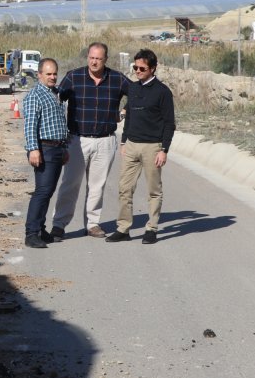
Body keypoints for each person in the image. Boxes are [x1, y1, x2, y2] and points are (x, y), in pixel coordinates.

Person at [51, 42, 129, 239]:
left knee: (97, 185)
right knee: (70, 184)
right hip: (77, 140)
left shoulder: (117, 79)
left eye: (99, 59)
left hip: (105, 141)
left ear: (105, 60)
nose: (94, 62)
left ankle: (93, 224)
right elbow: (56, 99)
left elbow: (136, 94)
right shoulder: (73, 77)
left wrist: (125, 111)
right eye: (91, 58)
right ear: (87, 57)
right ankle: (59, 224)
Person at [108, 48, 176, 245]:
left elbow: (169, 123)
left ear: (153, 69)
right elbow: (130, 115)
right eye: (135, 67)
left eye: (142, 68)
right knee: (124, 188)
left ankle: (151, 228)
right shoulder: (133, 88)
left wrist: (164, 150)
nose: (137, 71)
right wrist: (124, 141)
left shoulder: (163, 92)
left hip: (152, 147)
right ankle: (123, 228)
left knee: (153, 191)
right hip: (131, 145)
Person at [21, 58, 68, 248]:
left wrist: (64, 147)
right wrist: (33, 149)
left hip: (57, 148)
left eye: (55, 73)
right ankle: (31, 233)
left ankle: (40, 229)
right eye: (48, 74)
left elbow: (58, 122)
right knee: (42, 192)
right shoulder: (35, 96)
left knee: (48, 192)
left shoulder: (54, 93)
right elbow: (30, 125)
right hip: (44, 148)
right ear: (39, 74)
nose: (53, 77)